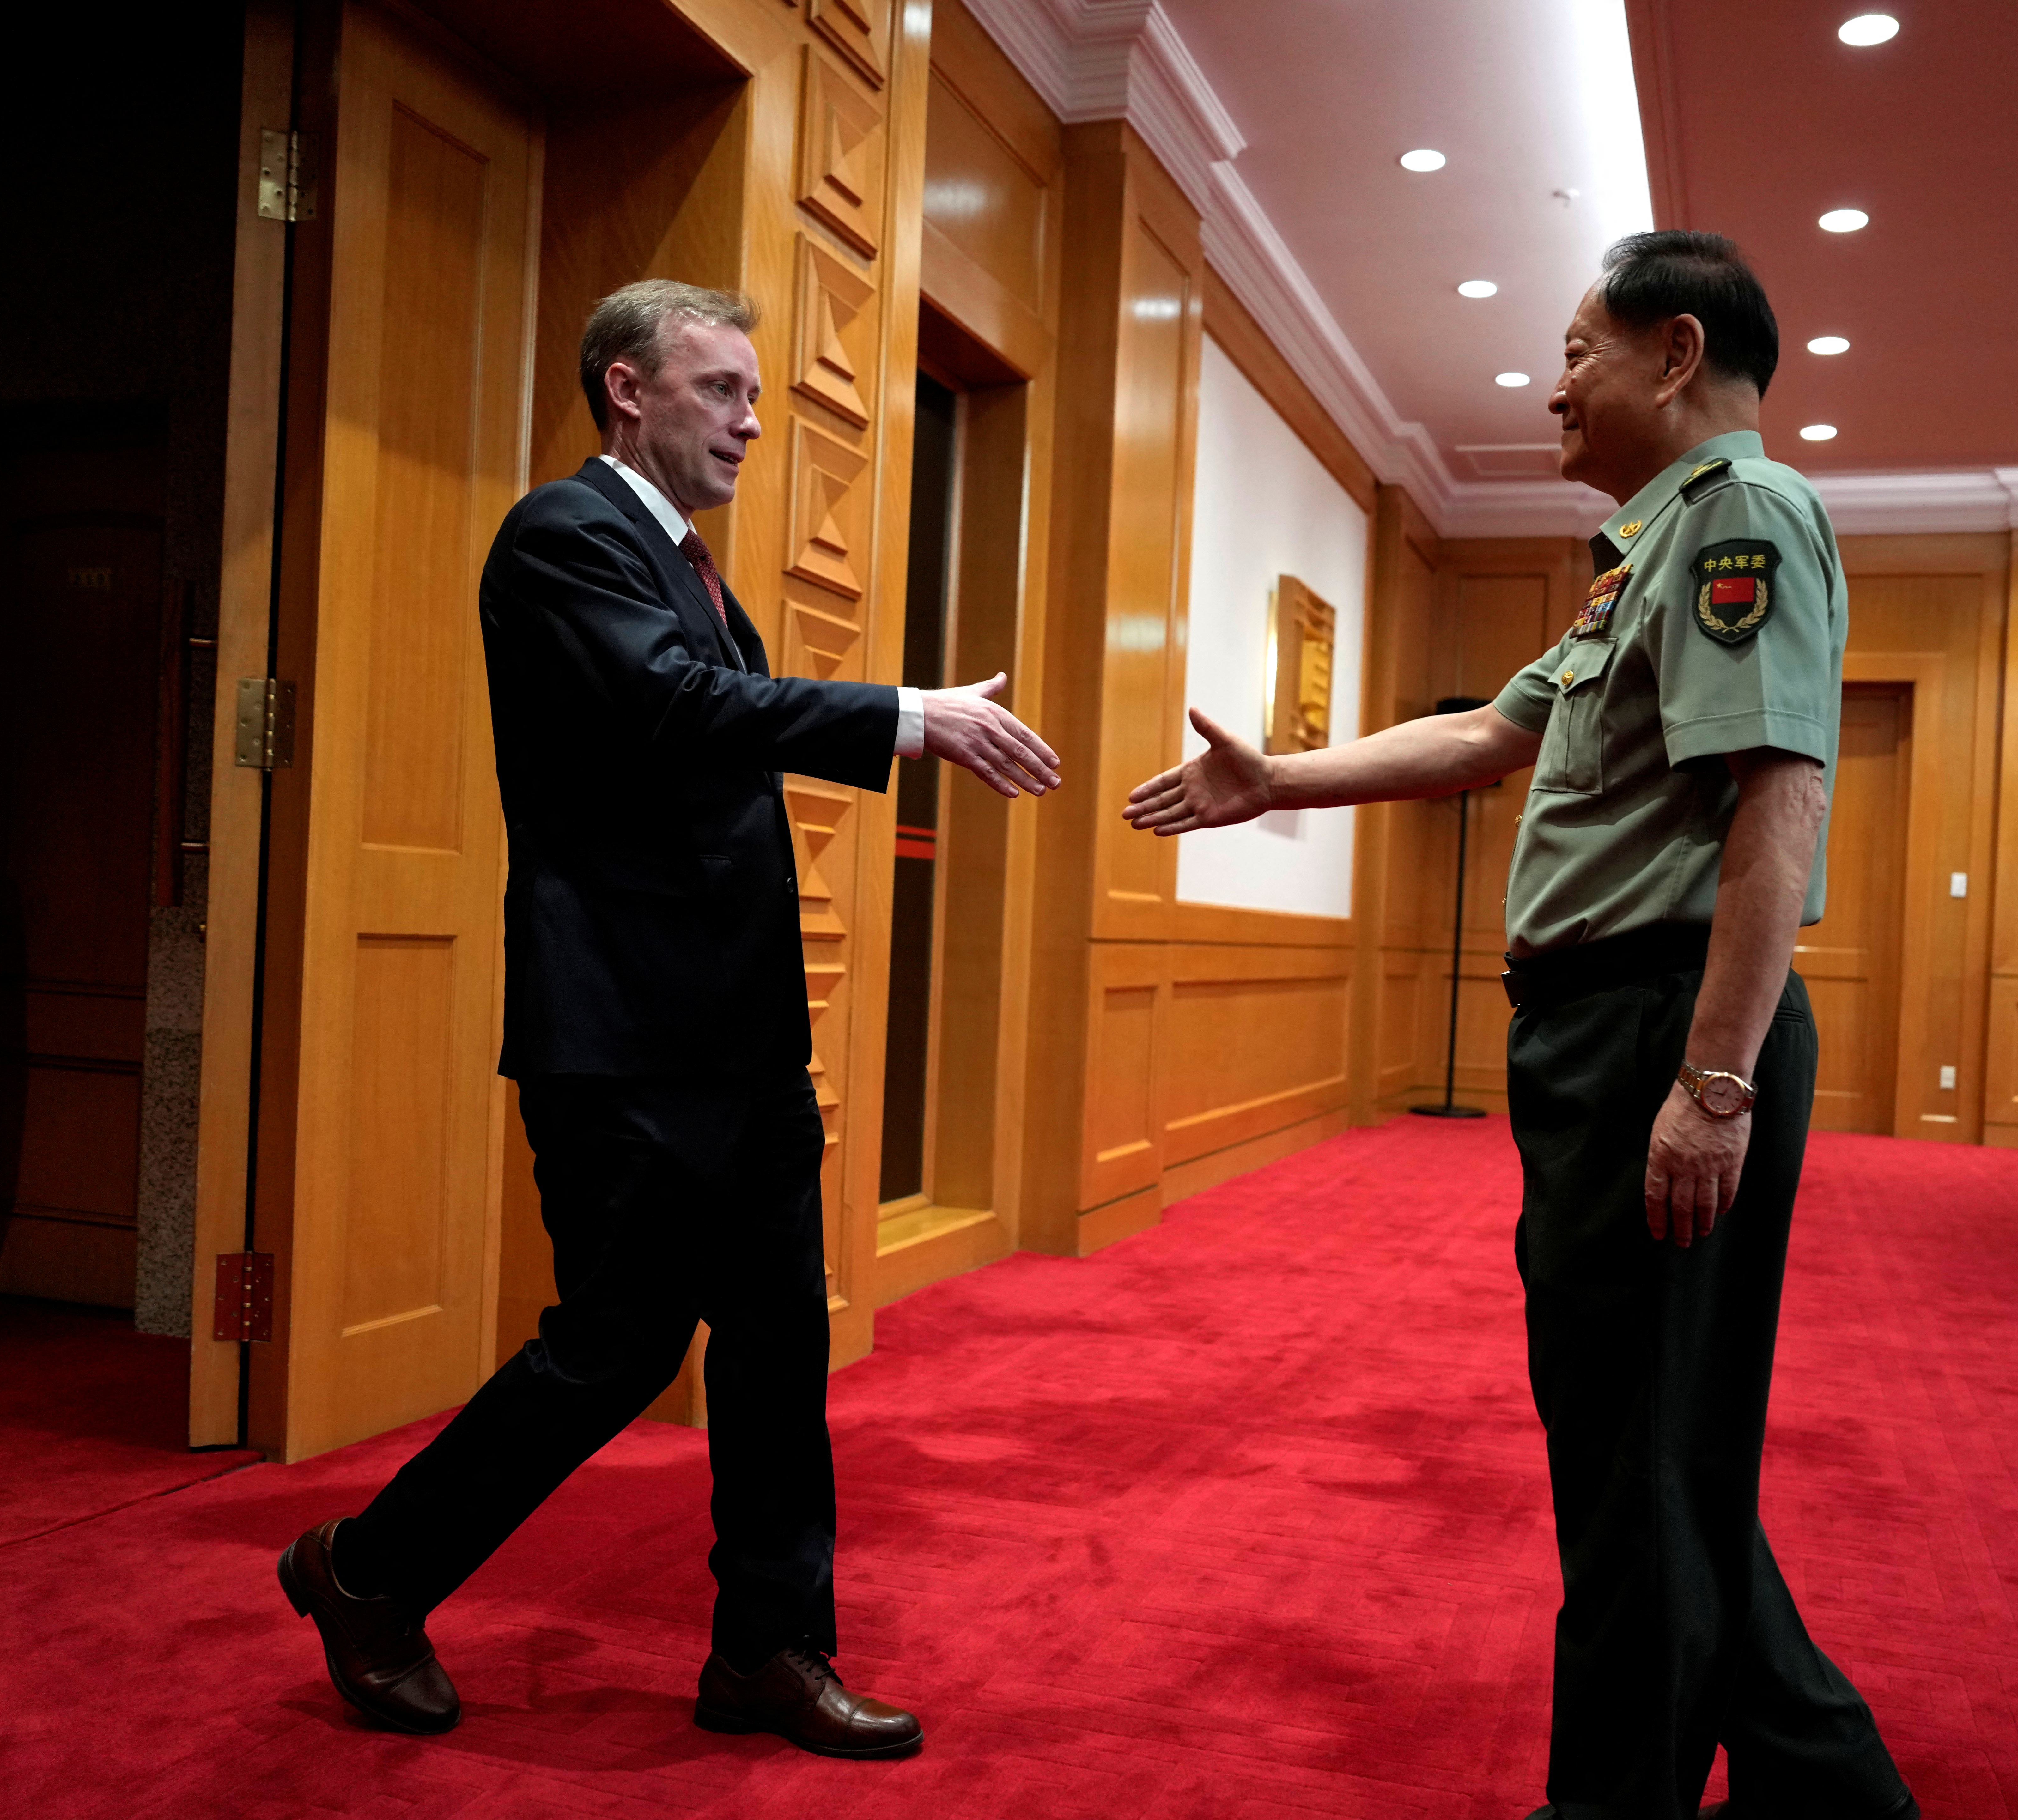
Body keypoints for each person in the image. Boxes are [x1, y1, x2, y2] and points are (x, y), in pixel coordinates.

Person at [1125, 232, 1915, 1820]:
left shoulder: (1743, 519)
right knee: (1647, 1446)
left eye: (1578, 352)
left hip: (1661, 1026)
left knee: (1644, 1463)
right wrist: (1281, 779)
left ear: (1676, 354)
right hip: (1597, 1031)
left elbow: (1784, 802)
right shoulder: (1648, 555)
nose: (1552, 385)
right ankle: (1832, 1790)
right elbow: (1491, 731)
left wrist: (1714, 1080)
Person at [278, 279, 1062, 1756]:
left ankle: (768, 1649)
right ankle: (365, 1570)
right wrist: (905, 712)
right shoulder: (565, 535)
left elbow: (709, 729)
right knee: (616, 1349)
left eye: (760, 396)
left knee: (776, 1345)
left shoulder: (687, 566)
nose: (755, 422)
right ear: (627, 390)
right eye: (722, 390)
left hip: (740, 1040)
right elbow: (672, 708)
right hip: (622, 1037)